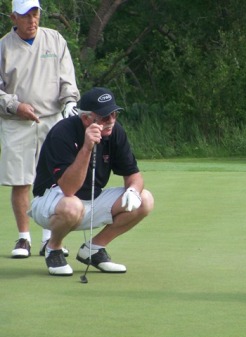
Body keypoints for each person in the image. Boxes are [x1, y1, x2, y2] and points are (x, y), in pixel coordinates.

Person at [28, 87, 154, 276]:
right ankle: (53, 248)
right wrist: (87, 148)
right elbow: (69, 188)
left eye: (114, 114)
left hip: (90, 200)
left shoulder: (115, 132)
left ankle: (93, 249)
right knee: (72, 206)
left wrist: (133, 191)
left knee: (145, 199)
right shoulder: (62, 132)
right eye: (104, 117)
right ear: (86, 118)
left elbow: (134, 175)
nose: (111, 120)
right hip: (51, 203)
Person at [0, 0, 80, 258]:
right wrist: (15, 106)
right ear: (14, 17)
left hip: (53, 120)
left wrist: (70, 103)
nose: (32, 20)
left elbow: (67, 78)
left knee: (54, 180)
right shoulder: (3, 46)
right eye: (25, 16)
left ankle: (49, 238)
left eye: (35, 14)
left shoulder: (55, 39)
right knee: (21, 181)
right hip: (16, 121)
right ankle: (24, 238)